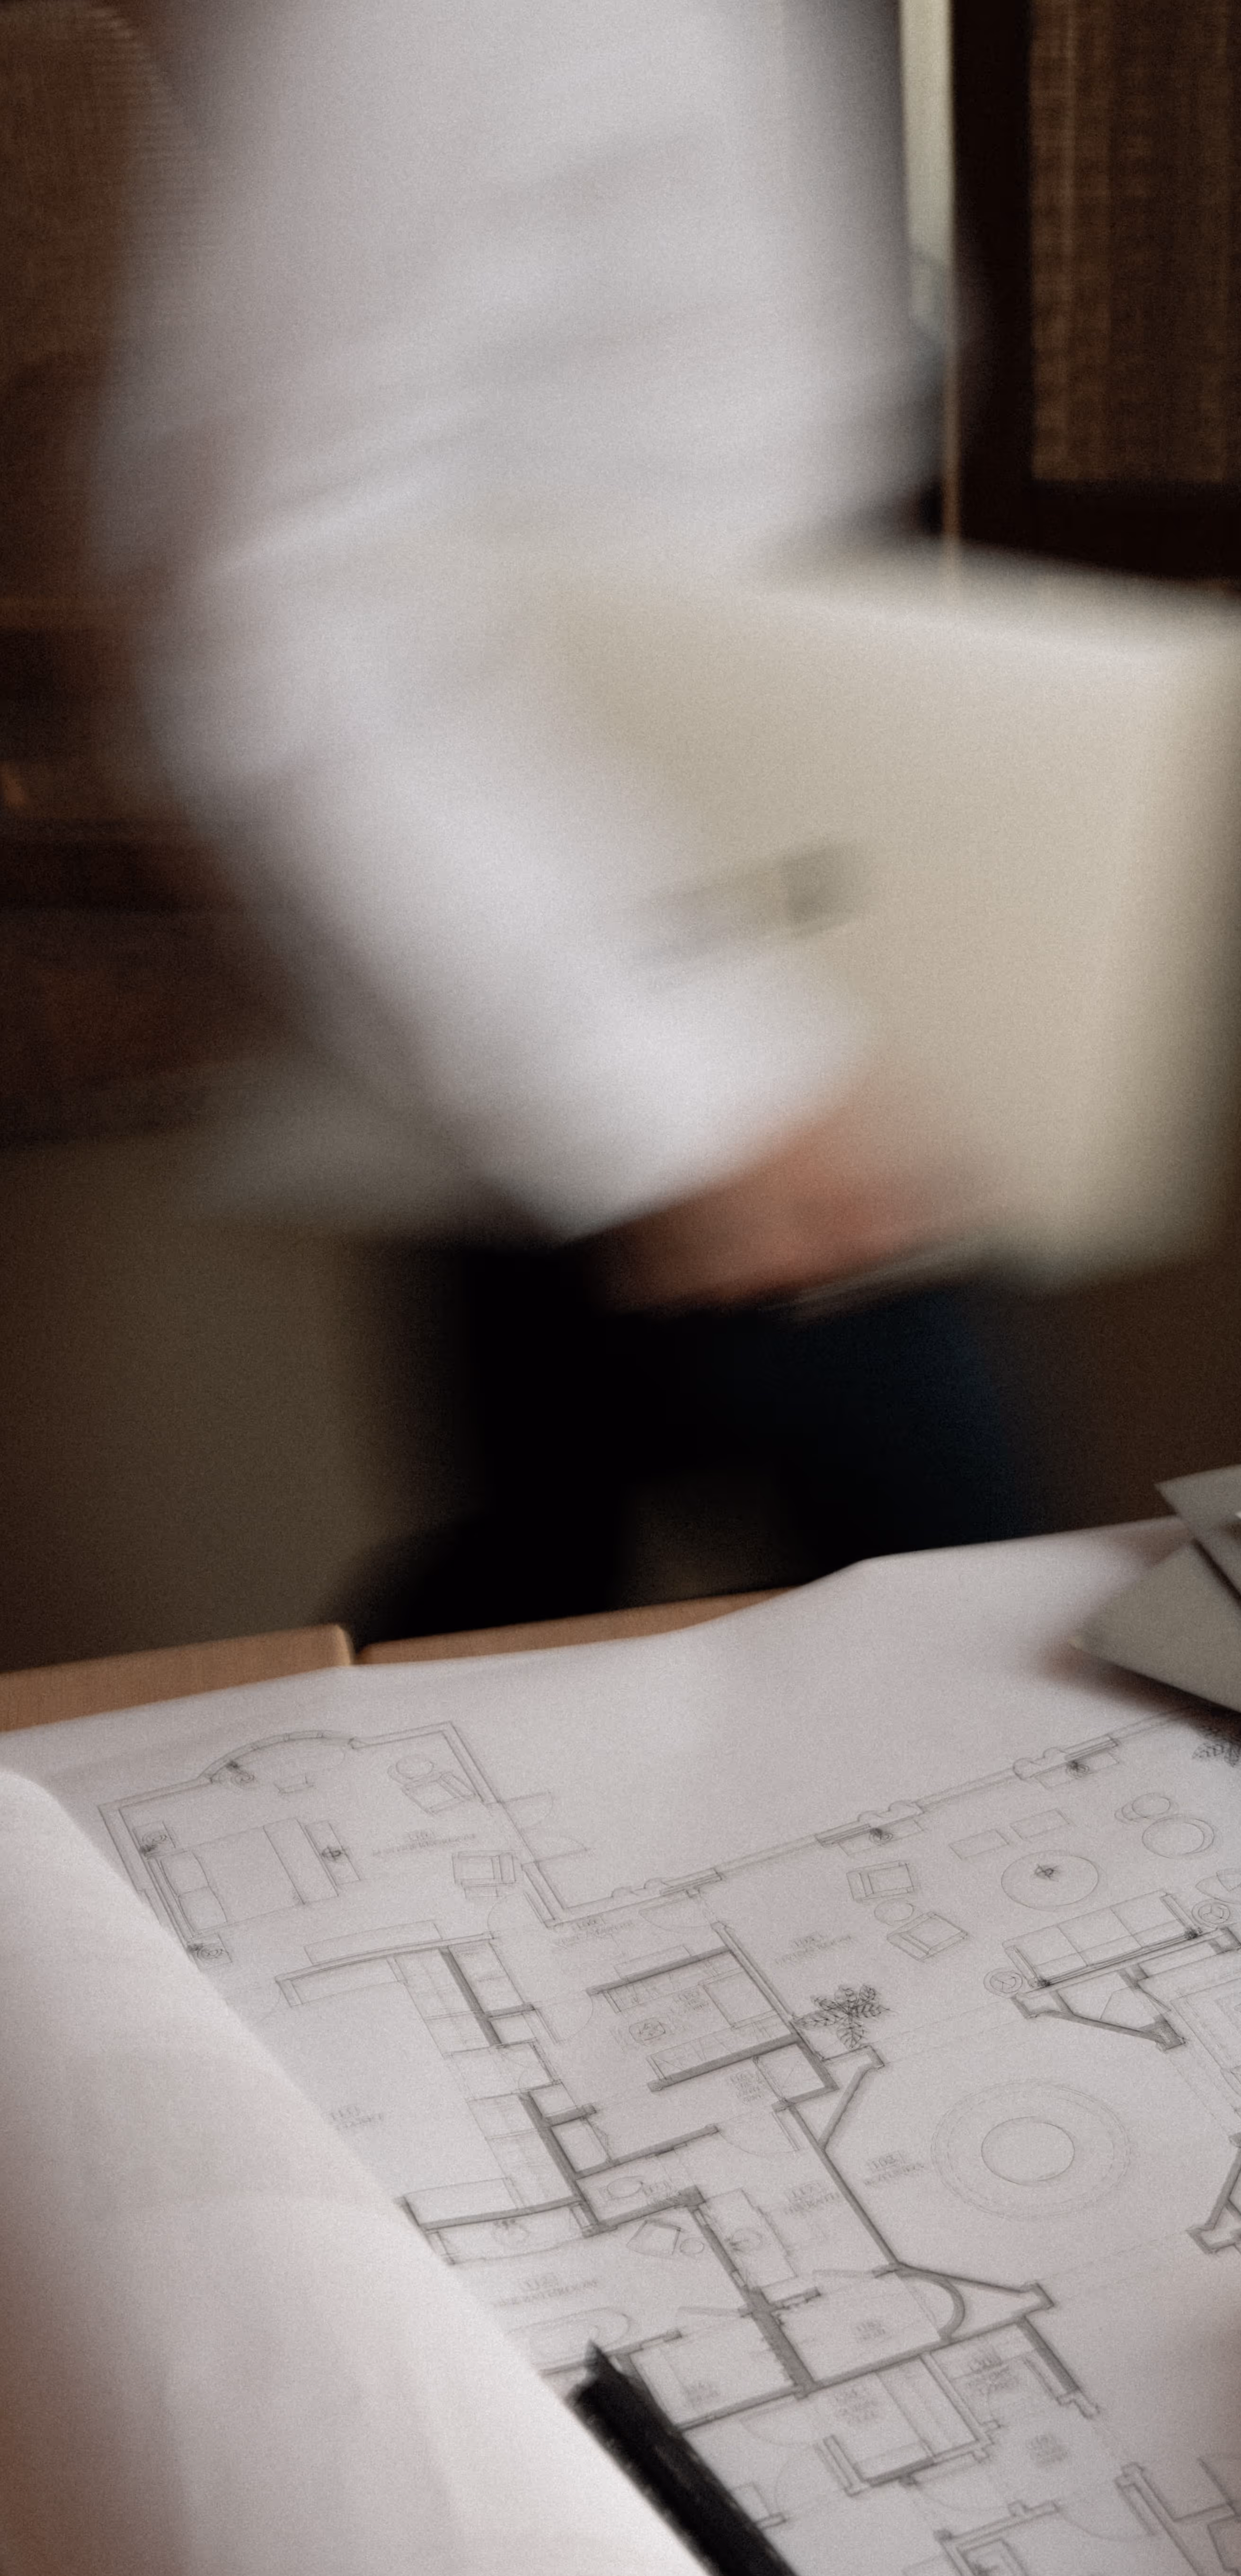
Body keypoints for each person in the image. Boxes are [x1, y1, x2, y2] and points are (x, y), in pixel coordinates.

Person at [104, 0, 1037, 1626]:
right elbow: (260, 582)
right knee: (996, 1662)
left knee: (542, 1611)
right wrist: (689, 1098)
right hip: (647, 1006)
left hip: (700, 942)